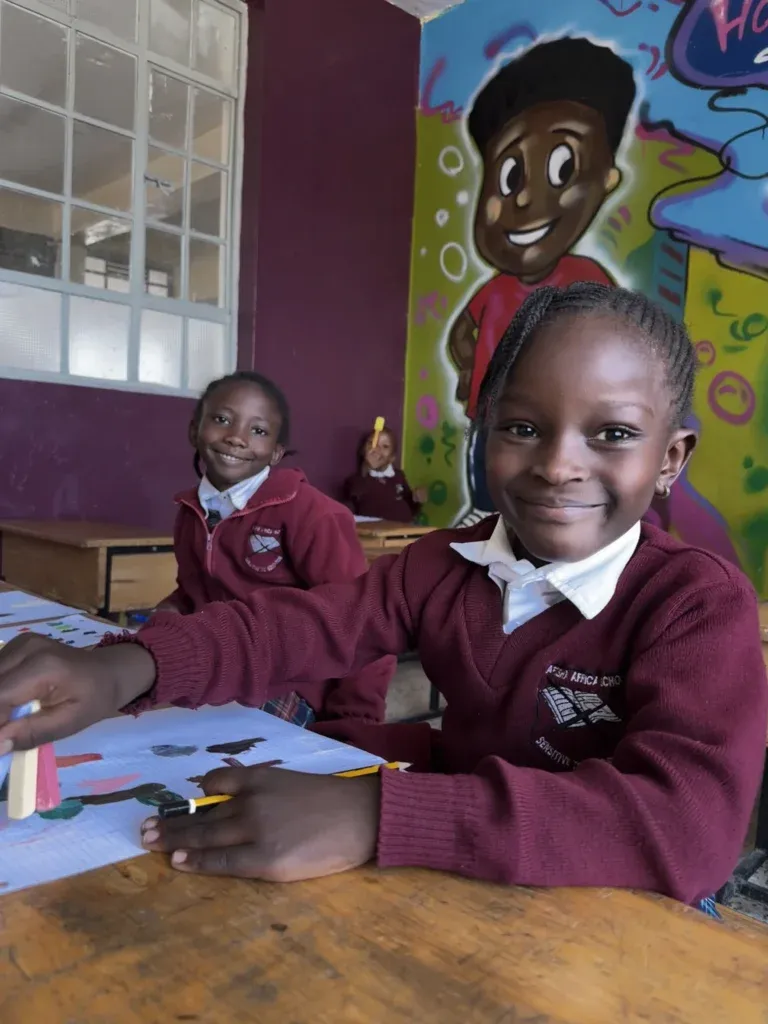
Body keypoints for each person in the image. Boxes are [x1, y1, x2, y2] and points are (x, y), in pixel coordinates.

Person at [0, 285, 765, 912]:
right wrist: (126, 667)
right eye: (523, 427)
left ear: (671, 459)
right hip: (460, 881)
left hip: (621, 920)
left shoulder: (693, 604)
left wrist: (380, 814)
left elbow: (688, 832)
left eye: (613, 435)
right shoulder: (445, 563)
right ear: (485, 433)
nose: (559, 465)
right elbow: (295, 628)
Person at [449, 37, 636, 518]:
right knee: (488, 473)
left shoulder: (585, 279)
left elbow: (611, 342)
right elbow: (462, 334)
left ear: (607, 180)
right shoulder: (494, 290)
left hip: (556, 419)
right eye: (510, 177)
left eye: (561, 168)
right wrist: (471, 371)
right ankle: (485, 516)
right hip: (490, 415)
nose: (528, 199)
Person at [157, 369, 394, 733]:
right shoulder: (192, 511)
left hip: (289, 684)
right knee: (134, 710)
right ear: (194, 430)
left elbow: (364, 621)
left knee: (216, 744)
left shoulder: (313, 515)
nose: (236, 438)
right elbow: (194, 593)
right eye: (222, 420)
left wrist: (355, 723)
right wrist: (167, 616)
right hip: (217, 665)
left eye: (258, 430)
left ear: (276, 452)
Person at [344, 426, 426, 524]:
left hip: (405, 528)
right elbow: (356, 495)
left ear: (392, 457)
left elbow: (412, 508)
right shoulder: (356, 480)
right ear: (363, 451)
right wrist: (367, 467)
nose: (377, 449)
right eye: (372, 443)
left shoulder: (398, 476)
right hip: (379, 530)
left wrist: (417, 499)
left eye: (385, 446)